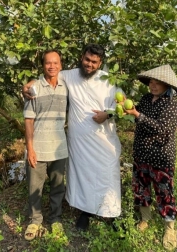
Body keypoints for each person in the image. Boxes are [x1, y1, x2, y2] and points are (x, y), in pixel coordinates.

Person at [24, 44, 122, 231]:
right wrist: (28, 85)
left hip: (104, 140)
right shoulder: (69, 75)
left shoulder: (107, 80)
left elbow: (121, 104)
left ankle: (111, 213)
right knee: (83, 175)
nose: (89, 64)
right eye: (87, 60)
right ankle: (85, 212)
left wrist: (107, 114)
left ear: (100, 63)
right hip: (80, 142)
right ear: (81, 57)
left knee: (107, 175)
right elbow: (48, 74)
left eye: (94, 62)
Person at [123, 64, 177, 251]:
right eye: (151, 82)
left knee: (164, 192)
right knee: (141, 189)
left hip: (161, 157)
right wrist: (131, 109)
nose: (153, 86)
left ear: (167, 85)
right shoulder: (147, 98)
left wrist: (137, 115)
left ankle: (169, 227)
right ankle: (145, 219)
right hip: (141, 153)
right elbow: (138, 116)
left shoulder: (172, 106)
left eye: (158, 83)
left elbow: (163, 130)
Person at [23, 49, 68, 241]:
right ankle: (35, 220)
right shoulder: (33, 88)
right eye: (48, 63)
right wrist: (30, 149)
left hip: (59, 148)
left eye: (56, 63)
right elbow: (28, 121)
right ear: (43, 66)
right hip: (38, 148)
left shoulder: (67, 86)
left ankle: (55, 219)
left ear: (61, 66)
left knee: (58, 187)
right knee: (35, 187)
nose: (52, 66)